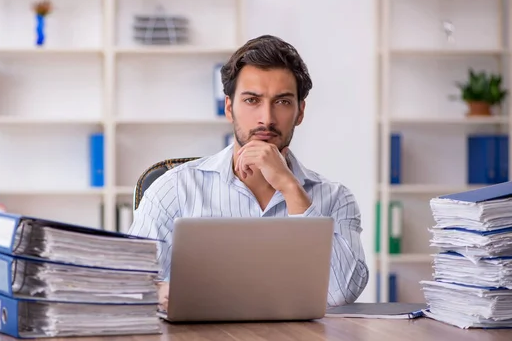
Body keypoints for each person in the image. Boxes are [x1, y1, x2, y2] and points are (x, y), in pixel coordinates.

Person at [128, 34, 369, 310]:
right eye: (252, 100)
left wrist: (291, 188)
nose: (266, 118)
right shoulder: (174, 190)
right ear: (229, 108)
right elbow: (131, 283)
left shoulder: (336, 198)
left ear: (300, 113)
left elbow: (341, 293)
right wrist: (161, 292)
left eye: (282, 102)